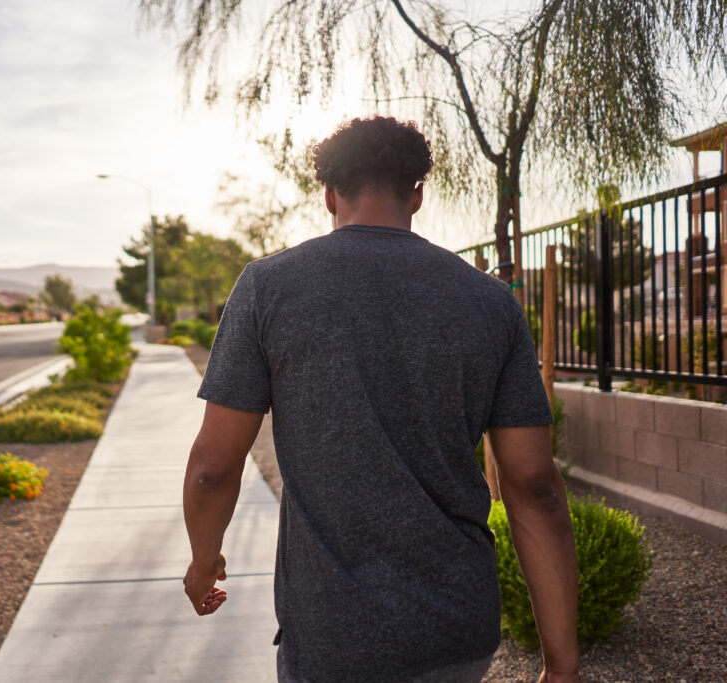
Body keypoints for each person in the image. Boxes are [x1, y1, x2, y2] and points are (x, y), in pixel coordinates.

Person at [181, 116, 581, 682]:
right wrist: (562, 665)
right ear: (417, 194)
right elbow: (534, 487)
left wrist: (203, 562)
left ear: (328, 194)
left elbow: (212, 468)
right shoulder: (491, 302)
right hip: (457, 626)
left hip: (331, 634)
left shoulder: (268, 288)